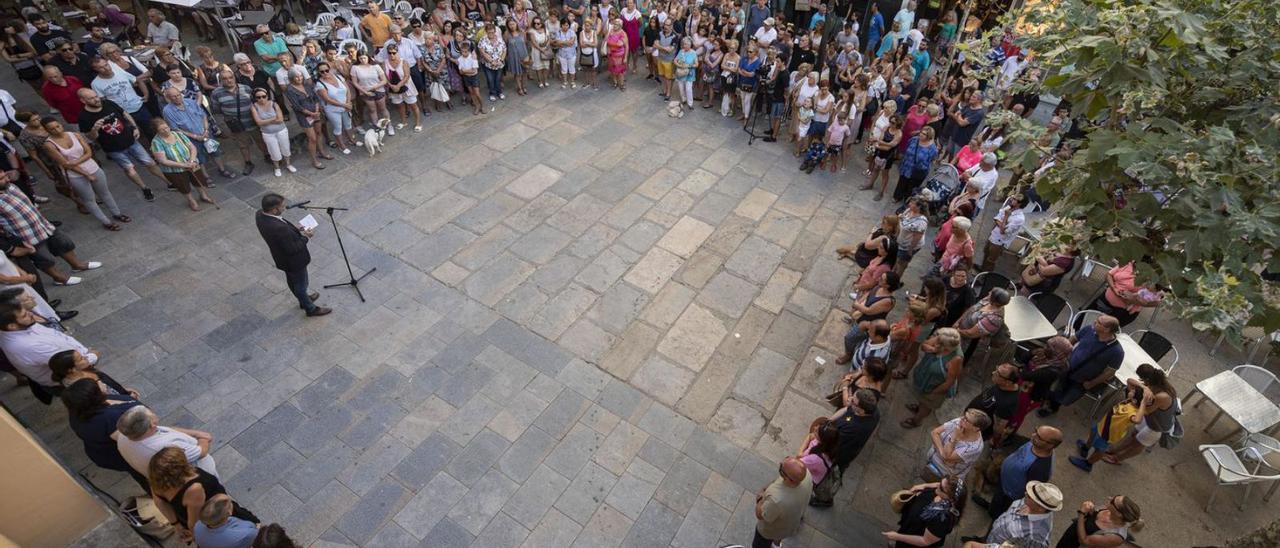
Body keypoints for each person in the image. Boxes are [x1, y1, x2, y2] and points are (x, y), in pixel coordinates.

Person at [1070, 363, 1176, 472]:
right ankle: (1086, 448)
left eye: (1133, 391)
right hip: (1103, 425)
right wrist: (1143, 388)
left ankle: (1089, 464)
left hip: (1112, 433)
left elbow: (1140, 417)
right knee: (1094, 433)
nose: (1130, 390)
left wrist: (1143, 402)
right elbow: (1130, 381)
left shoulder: (1135, 411)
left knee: (1102, 448)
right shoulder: (1133, 400)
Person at [0, 172, 98, 285]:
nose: (7, 179)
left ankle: (77, 265)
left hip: (43, 224)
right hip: (26, 235)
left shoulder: (11, 187)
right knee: (44, 259)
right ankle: (59, 279)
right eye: (1, 178)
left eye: (5, 176)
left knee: (64, 243)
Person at [149, 447, 258, 545]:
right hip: (217, 513)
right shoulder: (194, 489)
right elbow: (194, 522)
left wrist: (176, 525)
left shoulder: (158, 482)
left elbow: (160, 503)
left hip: (189, 516)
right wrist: (197, 536)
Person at [40, 117, 129, 231]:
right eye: (52, 129)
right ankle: (106, 222)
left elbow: (88, 152)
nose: (57, 130)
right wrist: (85, 173)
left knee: (105, 192)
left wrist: (74, 162)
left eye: (57, 126)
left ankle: (117, 213)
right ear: (47, 131)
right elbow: (65, 164)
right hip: (75, 175)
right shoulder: (49, 145)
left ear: (61, 124)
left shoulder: (75, 135)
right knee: (89, 199)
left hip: (93, 168)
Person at [75, 88, 161, 202]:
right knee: (130, 169)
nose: (96, 99)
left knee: (150, 162)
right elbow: (91, 137)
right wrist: (95, 129)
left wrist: (134, 127)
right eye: (91, 98)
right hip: (113, 148)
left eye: (96, 96)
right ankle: (145, 188)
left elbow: (124, 113)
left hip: (130, 140)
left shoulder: (108, 103)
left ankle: (169, 182)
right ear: (83, 101)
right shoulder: (84, 117)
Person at [60, 378, 147, 488]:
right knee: (142, 473)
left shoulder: (79, 411)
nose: (100, 382)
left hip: (103, 451)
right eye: (97, 384)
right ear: (95, 396)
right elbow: (134, 440)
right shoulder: (110, 420)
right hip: (125, 455)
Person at [971, 425, 1061, 530]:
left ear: (1050, 445)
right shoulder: (1035, 444)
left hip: (1010, 496)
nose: (1033, 436)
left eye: (1039, 437)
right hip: (1004, 483)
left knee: (999, 519)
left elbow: (1030, 492)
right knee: (996, 503)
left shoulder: (1040, 468)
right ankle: (991, 508)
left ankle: (985, 538)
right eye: (1036, 431)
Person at [255, 193, 331, 317]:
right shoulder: (279, 229)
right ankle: (310, 308)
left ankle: (304, 300)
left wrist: (294, 229)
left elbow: (281, 225)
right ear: (274, 209)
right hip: (294, 261)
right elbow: (293, 249)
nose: (285, 208)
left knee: (292, 280)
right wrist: (306, 237)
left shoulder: (260, 214)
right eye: (282, 207)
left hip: (281, 259)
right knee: (301, 284)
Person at [1038, 315, 1123, 417]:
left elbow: (1109, 372)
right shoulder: (1088, 330)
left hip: (1083, 381)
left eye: (1099, 322)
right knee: (1057, 388)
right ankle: (1049, 405)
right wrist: (1060, 354)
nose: (1094, 322)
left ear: (1107, 329)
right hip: (1067, 368)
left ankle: (1054, 404)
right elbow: (1073, 339)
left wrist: (1091, 383)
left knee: (1067, 398)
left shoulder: (1117, 351)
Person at [116, 405, 218, 479]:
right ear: (152, 425)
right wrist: (203, 438)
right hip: (200, 473)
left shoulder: (125, 434)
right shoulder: (165, 448)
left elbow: (166, 429)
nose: (154, 413)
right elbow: (201, 452)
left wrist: (196, 433)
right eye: (152, 415)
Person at [161, 87, 234, 179]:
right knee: (198, 157)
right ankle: (205, 176)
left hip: (205, 132)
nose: (177, 98)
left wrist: (206, 130)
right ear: (169, 98)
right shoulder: (167, 111)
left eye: (178, 95)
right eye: (174, 97)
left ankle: (222, 169)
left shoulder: (190, 102)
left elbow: (203, 116)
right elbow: (175, 129)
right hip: (190, 138)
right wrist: (195, 136)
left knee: (215, 151)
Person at [965, 481, 1062, 548]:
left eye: (1030, 496)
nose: (1025, 493)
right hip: (991, 538)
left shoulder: (1037, 536)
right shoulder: (1027, 501)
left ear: (1041, 508)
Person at [151, 119, 218, 211]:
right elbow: (163, 161)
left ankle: (203, 196)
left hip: (192, 163)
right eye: (162, 129)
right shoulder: (156, 142)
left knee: (198, 180)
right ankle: (191, 201)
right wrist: (184, 165)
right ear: (157, 131)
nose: (166, 130)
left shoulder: (178, 134)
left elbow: (192, 147)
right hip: (175, 170)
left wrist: (192, 160)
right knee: (183, 186)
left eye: (166, 127)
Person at [902, 328, 963, 429]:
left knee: (927, 404)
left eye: (938, 340)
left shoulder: (956, 359)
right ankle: (919, 407)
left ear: (945, 346)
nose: (935, 339)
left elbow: (949, 382)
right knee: (922, 399)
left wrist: (933, 392)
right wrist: (933, 349)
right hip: (926, 378)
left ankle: (917, 420)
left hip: (936, 386)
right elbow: (924, 345)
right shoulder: (943, 338)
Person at [883, 475, 964, 548]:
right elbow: (938, 485)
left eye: (941, 488)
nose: (937, 487)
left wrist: (897, 536)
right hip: (911, 527)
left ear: (951, 499)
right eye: (940, 482)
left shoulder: (942, 519)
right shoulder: (941, 490)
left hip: (914, 542)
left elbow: (925, 541)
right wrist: (924, 485)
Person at [210, 68, 263, 175]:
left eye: (231, 77)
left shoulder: (246, 88)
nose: (229, 80)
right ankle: (248, 163)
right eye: (225, 79)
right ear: (220, 81)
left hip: (252, 121)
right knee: (243, 145)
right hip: (236, 125)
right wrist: (224, 125)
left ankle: (268, 156)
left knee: (261, 140)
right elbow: (216, 111)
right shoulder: (216, 93)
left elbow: (256, 103)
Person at [754, 456, 812, 548]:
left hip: (770, 532)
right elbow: (778, 481)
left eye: (781, 470)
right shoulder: (807, 475)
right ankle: (776, 545)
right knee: (780, 535)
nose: (780, 464)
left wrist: (760, 498)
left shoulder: (776, 500)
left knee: (760, 544)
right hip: (790, 524)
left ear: (790, 480)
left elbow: (760, 515)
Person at [1083, 262, 1163, 328]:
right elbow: (1109, 274)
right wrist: (1114, 288)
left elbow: (1158, 302)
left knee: (1100, 334)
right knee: (1082, 323)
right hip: (1103, 301)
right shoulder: (1127, 263)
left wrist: (1135, 301)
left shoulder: (1153, 275)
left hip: (1121, 312)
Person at [88, 56, 152, 138]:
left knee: (150, 130)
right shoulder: (96, 84)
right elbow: (103, 101)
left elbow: (137, 80)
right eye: (101, 67)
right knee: (132, 135)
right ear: (96, 70)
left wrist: (146, 94)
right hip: (122, 114)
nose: (106, 68)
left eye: (106, 65)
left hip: (139, 107)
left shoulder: (119, 72)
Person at [923, 408, 989, 481]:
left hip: (943, 473)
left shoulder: (975, 448)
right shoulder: (960, 422)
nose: (961, 419)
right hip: (932, 456)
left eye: (966, 420)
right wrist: (943, 454)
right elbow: (934, 433)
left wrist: (954, 437)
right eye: (964, 416)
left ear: (975, 428)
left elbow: (948, 456)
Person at [1056, 495, 1142, 548]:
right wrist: (1090, 510)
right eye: (1115, 496)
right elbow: (1092, 516)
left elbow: (1084, 541)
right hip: (1072, 535)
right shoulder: (1107, 509)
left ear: (1119, 514)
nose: (1110, 498)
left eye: (1113, 501)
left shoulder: (1115, 537)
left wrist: (1081, 513)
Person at [967, 363, 1022, 445]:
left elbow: (998, 427)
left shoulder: (1007, 403)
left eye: (998, 374)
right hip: (969, 418)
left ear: (1007, 382)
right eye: (996, 369)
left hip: (975, 429)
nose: (993, 372)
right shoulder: (1003, 384)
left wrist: (995, 439)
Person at [829, 387, 880, 472]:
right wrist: (829, 420)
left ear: (862, 410)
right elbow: (846, 409)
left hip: (840, 452)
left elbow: (833, 441)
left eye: (853, 401)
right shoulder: (874, 411)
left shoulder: (853, 428)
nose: (850, 399)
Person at [954, 289, 1010, 366]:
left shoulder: (993, 319)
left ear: (995, 300)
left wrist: (956, 331)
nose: (988, 292)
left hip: (970, 345)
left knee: (958, 362)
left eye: (991, 293)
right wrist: (958, 322)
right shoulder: (987, 300)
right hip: (959, 333)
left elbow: (970, 334)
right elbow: (971, 309)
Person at [314, 62, 361, 153]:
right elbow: (327, 99)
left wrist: (348, 102)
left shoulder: (339, 77)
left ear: (330, 69)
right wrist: (345, 105)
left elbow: (347, 90)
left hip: (345, 106)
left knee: (348, 124)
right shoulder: (319, 84)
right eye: (322, 72)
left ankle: (351, 140)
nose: (325, 73)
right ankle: (341, 145)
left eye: (326, 70)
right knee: (338, 127)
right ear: (319, 73)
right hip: (332, 110)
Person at [249, 87, 294, 177]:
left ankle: (288, 164)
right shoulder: (254, 107)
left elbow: (281, 119)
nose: (261, 99)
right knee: (273, 151)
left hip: (281, 130)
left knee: (285, 147)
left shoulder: (274, 104)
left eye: (263, 96)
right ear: (255, 98)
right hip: (268, 133)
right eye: (258, 97)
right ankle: (277, 167)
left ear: (267, 96)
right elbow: (258, 122)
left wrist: (265, 121)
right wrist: (274, 118)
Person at [194, 494, 260, 548]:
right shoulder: (245, 532)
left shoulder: (197, 527)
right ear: (229, 512)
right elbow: (257, 533)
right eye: (230, 502)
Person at [894, 126, 939, 203]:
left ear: (929, 137)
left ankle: (907, 200)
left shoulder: (932, 148)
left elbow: (931, 159)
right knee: (902, 182)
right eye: (921, 132)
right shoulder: (914, 140)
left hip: (918, 170)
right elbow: (907, 147)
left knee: (912, 186)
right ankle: (897, 197)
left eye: (924, 134)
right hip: (907, 165)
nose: (921, 134)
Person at [456, 41, 485, 115]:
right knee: (471, 93)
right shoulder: (459, 59)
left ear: (469, 51)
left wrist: (465, 71)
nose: (464, 53)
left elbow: (474, 71)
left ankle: (482, 106)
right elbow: (460, 72)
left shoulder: (473, 58)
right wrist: (467, 71)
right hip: (466, 78)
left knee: (477, 93)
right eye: (462, 52)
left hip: (474, 77)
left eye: (466, 52)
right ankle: (477, 106)